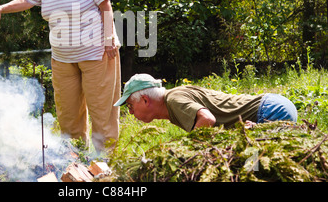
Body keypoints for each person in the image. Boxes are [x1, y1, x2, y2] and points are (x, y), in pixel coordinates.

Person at [0, 0, 121, 152]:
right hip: (62, 57)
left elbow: (105, 5)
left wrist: (109, 39)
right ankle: (74, 158)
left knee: (101, 110)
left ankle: (104, 161)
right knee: (68, 113)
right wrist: (1, 8)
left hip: (96, 53)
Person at [114, 73, 298, 131]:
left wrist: (189, 150)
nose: (130, 112)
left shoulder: (173, 99)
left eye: (130, 105)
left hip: (269, 111)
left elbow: (207, 119)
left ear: (145, 100)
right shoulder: (175, 96)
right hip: (275, 104)